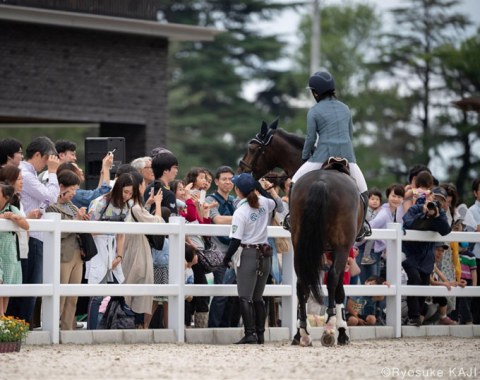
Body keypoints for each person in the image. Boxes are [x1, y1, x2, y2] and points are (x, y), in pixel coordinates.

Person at [289, 70, 370, 241]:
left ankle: (290, 218)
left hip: (322, 156)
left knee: (294, 182)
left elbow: (310, 138)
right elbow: (350, 134)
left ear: (315, 92)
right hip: (348, 157)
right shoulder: (346, 109)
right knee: (363, 191)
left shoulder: (314, 111)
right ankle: (362, 226)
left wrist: (305, 157)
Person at [7, 136, 59, 327]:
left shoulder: (29, 175)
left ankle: (19, 327)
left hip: (34, 235)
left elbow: (44, 202)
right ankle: (20, 327)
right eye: (47, 160)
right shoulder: (26, 175)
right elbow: (51, 197)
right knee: (29, 287)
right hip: (30, 237)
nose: (48, 165)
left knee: (30, 286)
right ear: (38, 155)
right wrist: (53, 173)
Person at [223, 173, 281, 344]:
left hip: (248, 253)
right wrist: (262, 188)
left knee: (245, 296)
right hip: (265, 253)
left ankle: (250, 333)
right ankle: (260, 334)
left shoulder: (241, 211)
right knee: (258, 297)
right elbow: (276, 202)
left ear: (238, 190)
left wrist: (226, 258)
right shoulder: (265, 203)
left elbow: (235, 240)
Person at [86, 173, 133, 329]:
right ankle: (92, 329)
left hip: (113, 249)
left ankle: (110, 325)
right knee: (96, 294)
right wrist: (108, 230)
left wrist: (119, 255)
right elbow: (88, 230)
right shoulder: (101, 202)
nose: (127, 196)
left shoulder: (126, 206)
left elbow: (122, 233)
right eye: (125, 192)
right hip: (97, 247)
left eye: (130, 193)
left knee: (117, 288)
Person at [45, 170, 89, 330]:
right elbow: (60, 232)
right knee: (60, 295)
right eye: (73, 189)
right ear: (62, 187)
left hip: (78, 253)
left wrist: (83, 218)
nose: (74, 193)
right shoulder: (52, 207)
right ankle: (54, 328)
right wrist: (76, 221)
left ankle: (68, 328)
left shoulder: (73, 206)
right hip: (63, 254)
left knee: (73, 296)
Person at [402, 186, 451, 326]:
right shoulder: (415, 209)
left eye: (440, 200)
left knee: (423, 287)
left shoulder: (440, 215)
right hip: (410, 254)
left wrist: (435, 215)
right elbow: (409, 223)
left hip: (427, 257)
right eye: (434, 198)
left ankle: (417, 317)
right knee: (414, 281)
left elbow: (445, 231)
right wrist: (424, 213)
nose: (436, 202)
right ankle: (414, 316)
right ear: (429, 197)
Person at [122, 171, 163, 329]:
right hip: (138, 250)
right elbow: (158, 223)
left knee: (131, 283)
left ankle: (134, 322)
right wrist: (158, 204)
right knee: (141, 284)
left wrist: (147, 204)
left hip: (129, 248)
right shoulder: (136, 207)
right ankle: (138, 324)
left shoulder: (130, 205)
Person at [205, 166, 237, 328]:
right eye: (224, 179)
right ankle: (214, 327)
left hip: (234, 251)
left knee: (234, 294)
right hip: (218, 252)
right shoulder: (211, 200)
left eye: (231, 179)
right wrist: (239, 218)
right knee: (221, 293)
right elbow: (217, 220)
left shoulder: (234, 200)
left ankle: (228, 327)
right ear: (216, 181)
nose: (228, 182)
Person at [360, 184, 404, 283]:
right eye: (393, 196)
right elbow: (369, 227)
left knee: (372, 286)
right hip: (368, 252)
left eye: (399, 197)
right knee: (370, 286)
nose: (396, 199)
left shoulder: (391, 212)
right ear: (388, 196)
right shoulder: (384, 214)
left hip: (375, 252)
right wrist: (354, 245)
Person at [0, 182, 29, 316]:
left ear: (5, 197)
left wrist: (13, 217)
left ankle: (3, 318)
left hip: (8, 251)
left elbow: (26, 225)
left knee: (7, 286)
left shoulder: (11, 208)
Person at [466, 178, 480, 324]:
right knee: (477, 294)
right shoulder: (472, 211)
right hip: (477, 256)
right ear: (475, 193)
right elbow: (476, 228)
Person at [457, 242, 477, 324]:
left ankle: (468, 320)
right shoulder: (454, 254)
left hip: (467, 281)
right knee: (458, 301)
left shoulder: (471, 255)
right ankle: (460, 320)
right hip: (457, 279)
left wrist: (474, 285)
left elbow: (473, 271)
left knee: (465, 301)